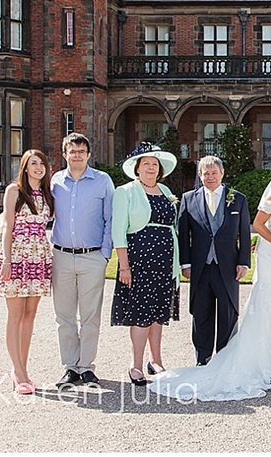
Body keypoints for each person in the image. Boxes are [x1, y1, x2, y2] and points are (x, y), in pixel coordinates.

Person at [150, 155, 271, 400]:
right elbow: (255, 225)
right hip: (258, 258)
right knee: (209, 310)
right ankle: (207, 357)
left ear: (222, 174)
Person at [47, 133, 115, 389]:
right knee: (63, 317)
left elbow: (110, 218)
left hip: (92, 257)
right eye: (72, 151)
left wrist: (105, 254)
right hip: (61, 256)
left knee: (90, 316)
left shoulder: (102, 181)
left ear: (88, 154)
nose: (76, 155)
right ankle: (70, 367)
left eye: (81, 151)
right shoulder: (55, 182)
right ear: (64, 154)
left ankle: (87, 367)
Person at [110, 142, 181, 386]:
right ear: (137, 169)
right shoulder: (126, 192)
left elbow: (173, 227)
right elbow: (118, 232)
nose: (151, 168)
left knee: (158, 313)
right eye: (146, 164)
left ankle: (156, 360)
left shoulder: (164, 190)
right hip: (140, 261)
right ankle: (136, 366)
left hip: (164, 260)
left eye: (154, 165)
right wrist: (124, 266)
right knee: (141, 314)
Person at [175, 155, 250, 367]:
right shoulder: (189, 199)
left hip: (227, 266)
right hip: (200, 267)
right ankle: (202, 358)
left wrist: (243, 262)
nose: (210, 176)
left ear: (222, 173)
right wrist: (186, 263)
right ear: (200, 175)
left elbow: (244, 233)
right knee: (201, 313)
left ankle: (225, 359)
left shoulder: (238, 199)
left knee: (228, 312)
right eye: (205, 173)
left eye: (213, 172)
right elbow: (184, 234)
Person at [0, 149, 55, 394]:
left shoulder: (49, 194)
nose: (38, 167)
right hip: (17, 256)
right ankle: (18, 372)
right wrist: (7, 260)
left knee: (30, 315)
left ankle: (23, 369)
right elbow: (7, 226)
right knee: (16, 315)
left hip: (39, 257)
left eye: (41, 163)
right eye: (33, 163)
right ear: (25, 167)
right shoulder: (15, 191)